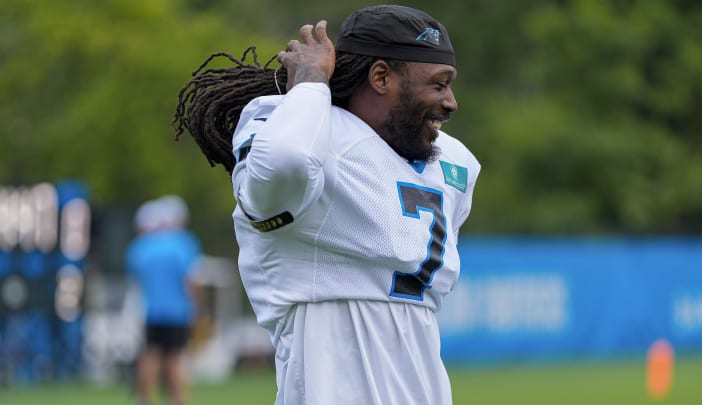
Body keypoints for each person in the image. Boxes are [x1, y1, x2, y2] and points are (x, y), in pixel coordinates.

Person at [173, 5, 480, 404]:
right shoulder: (296, 130)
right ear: (381, 77)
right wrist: (311, 84)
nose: (451, 102)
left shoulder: (453, 163)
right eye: (438, 85)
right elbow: (285, 162)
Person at [126, 195, 204, 405]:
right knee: (175, 357)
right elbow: (192, 280)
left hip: (151, 310)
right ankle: (177, 399)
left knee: (151, 353)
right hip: (178, 310)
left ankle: (142, 398)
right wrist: (198, 307)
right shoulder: (183, 243)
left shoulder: (141, 246)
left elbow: (137, 283)